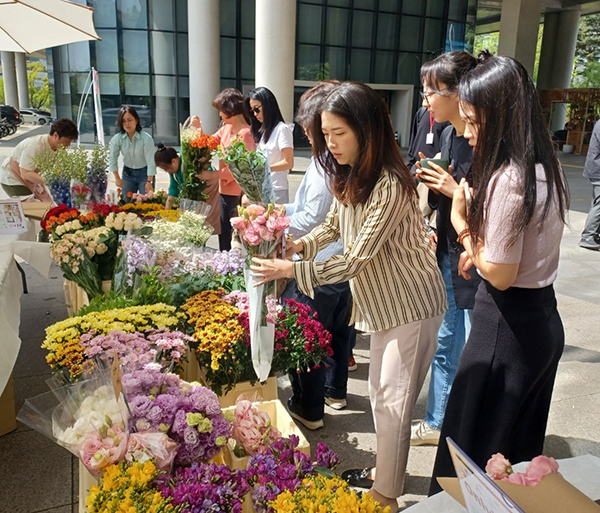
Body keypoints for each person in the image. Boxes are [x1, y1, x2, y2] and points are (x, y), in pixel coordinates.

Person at [250, 82, 447, 510]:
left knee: (392, 401)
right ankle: (386, 472)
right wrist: (302, 244)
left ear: (366, 128)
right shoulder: (353, 172)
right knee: (381, 395)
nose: (330, 143)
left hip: (411, 303)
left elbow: (355, 258)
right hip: (385, 304)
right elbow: (334, 226)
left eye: (339, 133)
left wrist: (291, 269)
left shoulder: (391, 183)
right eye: (326, 133)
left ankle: (385, 496)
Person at [429, 52, 569, 495]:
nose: (467, 134)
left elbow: (502, 275)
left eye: (473, 121)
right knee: (513, 456)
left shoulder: (509, 177)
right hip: (541, 320)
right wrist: (488, 252)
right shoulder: (545, 166)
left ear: (503, 116)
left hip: (504, 329)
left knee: (470, 455)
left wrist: (464, 226)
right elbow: (517, 257)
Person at [411, 52, 481, 447]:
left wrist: (452, 191)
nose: (426, 102)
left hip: (471, 259)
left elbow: (482, 205)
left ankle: (449, 425)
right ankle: (440, 420)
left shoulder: (477, 140)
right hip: (450, 250)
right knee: (447, 340)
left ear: (459, 93)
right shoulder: (452, 133)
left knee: (461, 345)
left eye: (432, 92)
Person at [278, 80, 357, 430]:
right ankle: (334, 391)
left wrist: (277, 230)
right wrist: (277, 211)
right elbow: (313, 213)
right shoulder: (335, 162)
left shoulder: (328, 164)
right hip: (337, 267)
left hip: (320, 268)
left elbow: (314, 219)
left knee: (306, 338)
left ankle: (309, 409)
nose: (312, 137)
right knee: (337, 334)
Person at [195, 89, 255, 250]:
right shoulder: (226, 129)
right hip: (224, 191)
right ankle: (225, 268)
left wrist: (211, 175)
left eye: (221, 110)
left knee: (236, 237)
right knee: (224, 234)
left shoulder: (246, 134)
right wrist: (198, 128)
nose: (220, 114)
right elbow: (209, 143)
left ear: (231, 109)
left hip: (238, 193)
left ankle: (233, 270)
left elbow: (240, 169)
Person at [0, 118, 79, 200]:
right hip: (12, 178)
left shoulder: (59, 148)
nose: (68, 145)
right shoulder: (35, 145)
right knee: (31, 207)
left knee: (48, 202)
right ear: (55, 135)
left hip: (30, 176)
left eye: (70, 142)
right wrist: (50, 181)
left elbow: (61, 169)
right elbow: (25, 174)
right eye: (66, 141)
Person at [245, 87, 294, 203]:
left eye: (257, 109)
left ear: (268, 105)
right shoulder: (265, 132)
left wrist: (264, 169)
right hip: (262, 188)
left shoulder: (282, 129)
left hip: (276, 190)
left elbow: (289, 162)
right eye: (252, 111)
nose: (255, 114)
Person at [109, 106, 157, 199]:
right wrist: (117, 178)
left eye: (129, 120)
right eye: (123, 121)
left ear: (136, 120)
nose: (127, 124)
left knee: (146, 204)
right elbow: (112, 158)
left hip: (145, 174)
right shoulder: (117, 139)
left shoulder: (146, 138)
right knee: (126, 204)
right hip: (128, 174)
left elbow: (151, 161)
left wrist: (149, 181)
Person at [579, 119, 600, 250]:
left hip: (596, 167)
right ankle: (587, 236)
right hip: (598, 168)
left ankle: (594, 234)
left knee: (597, 202)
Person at [154, 143, 182, 210]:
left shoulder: (186, 163)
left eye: (166, 169)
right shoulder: (173, 169)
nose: (167, 171)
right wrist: (167, 209)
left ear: (173, 162)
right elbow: (174, 187)